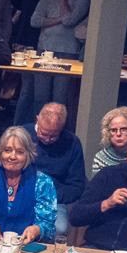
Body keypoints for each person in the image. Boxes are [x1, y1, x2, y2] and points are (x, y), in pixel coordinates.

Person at [15, 0, 90, 126]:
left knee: (60, 99)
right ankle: (37, 131)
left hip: (67, 52)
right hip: (44, 50)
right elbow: (34, 20)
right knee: (40, 97)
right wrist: (57, 20)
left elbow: (70, 20)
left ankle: (58, 133)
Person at [29, 102, 85, 238]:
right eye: (43, 134)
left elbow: (76, 185)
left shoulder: (72, 142)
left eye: (54, 136)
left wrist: (50, 196)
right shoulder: (21, 135)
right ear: (37, 119)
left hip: (54, 200)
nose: (48, 140)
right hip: (20, 195)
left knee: (59, 229)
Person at [89, 106, 127, 174]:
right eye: (113, 130)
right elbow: (97, 184)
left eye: (124, 129)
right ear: (107, 133)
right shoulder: (101, 157)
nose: (118, 134)